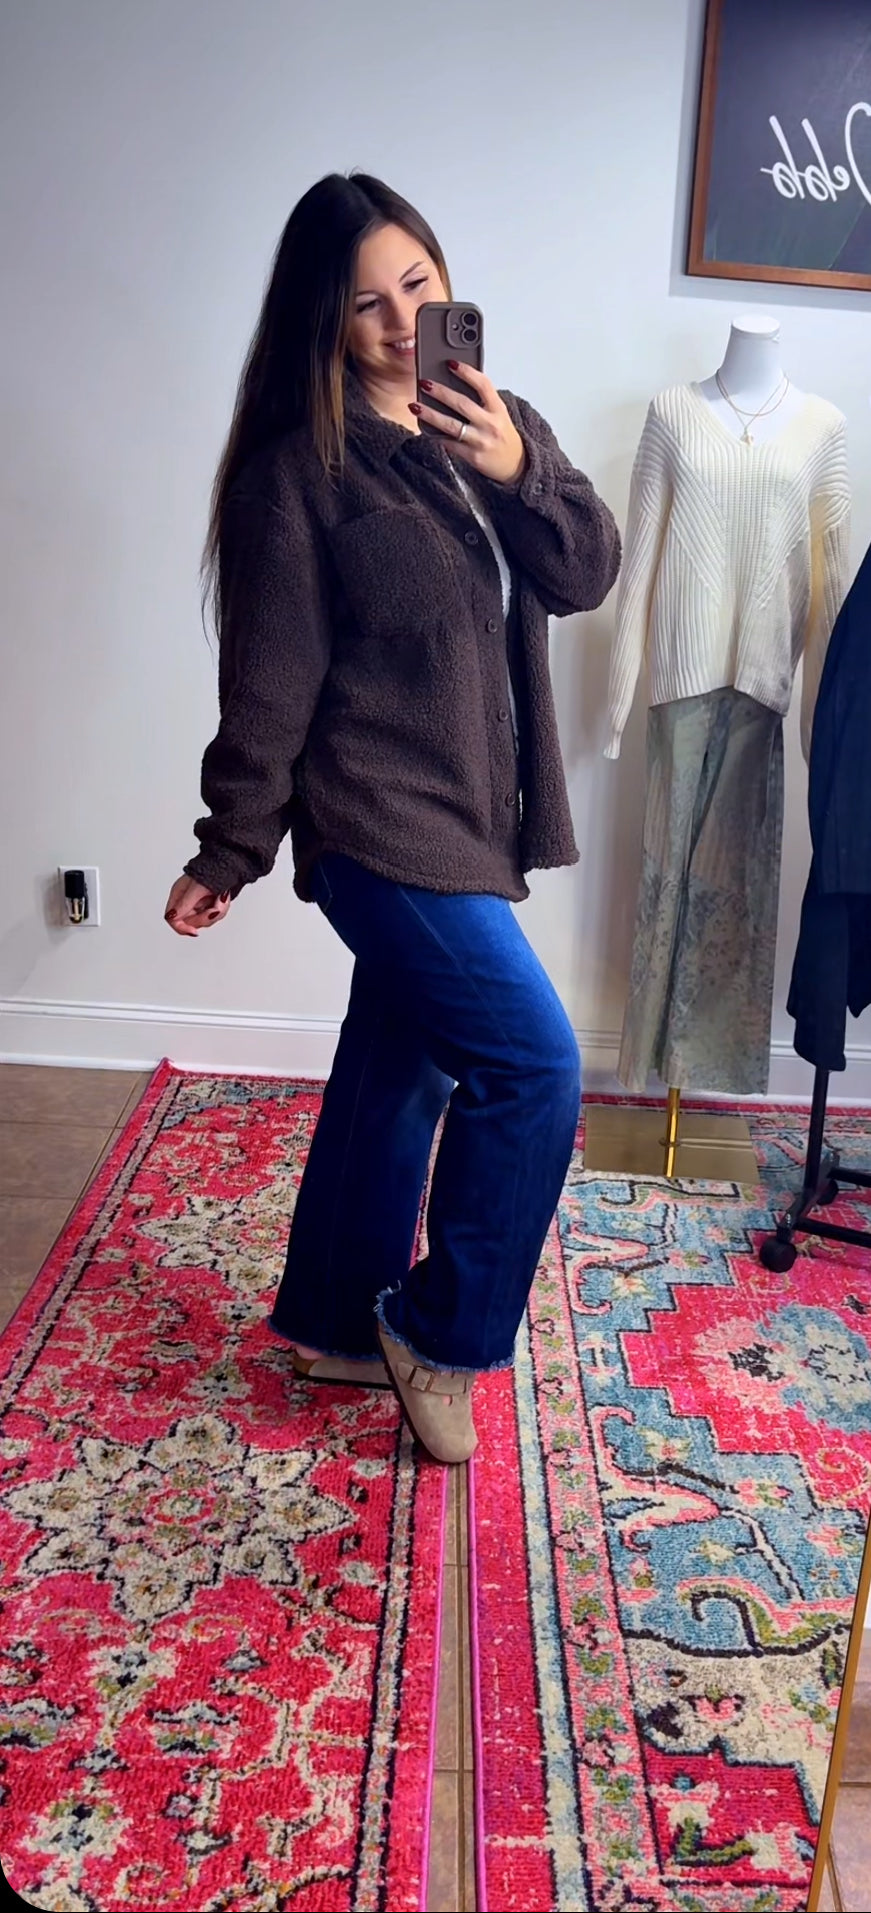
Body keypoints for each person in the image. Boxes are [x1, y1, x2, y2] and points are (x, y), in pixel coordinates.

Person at [164, 172, 620, 1465]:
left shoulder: (495, 422)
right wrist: (230, 846)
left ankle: (337, 1315)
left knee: (402, 1059)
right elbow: (270, 682)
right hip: (375, 822)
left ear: (444, 275)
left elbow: (587, 570)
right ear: (322, 318)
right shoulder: (297, 476)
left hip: (472, 817)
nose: (397, 319)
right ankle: (439, 1330)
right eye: (365, 302)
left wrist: (519, 469)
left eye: (415, 284)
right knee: (534, 1067)